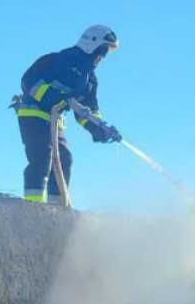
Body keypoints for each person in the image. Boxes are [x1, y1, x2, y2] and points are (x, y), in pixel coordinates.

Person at [13, 25, 122, 205]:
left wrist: (101, 129)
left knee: (64, 160)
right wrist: (55, 97)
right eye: (102, 51)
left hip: (55, 122)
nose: (102, 57)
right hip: (33, 114)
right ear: (91, 44)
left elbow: (87, 112)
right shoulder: (57, 60)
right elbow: (28, 81)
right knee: (42, 157)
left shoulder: (89, 80)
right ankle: (33, 208)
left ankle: (56, 210)